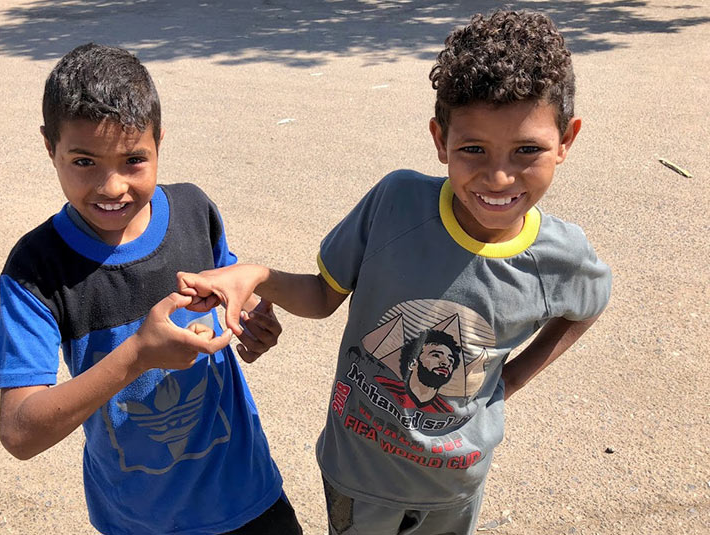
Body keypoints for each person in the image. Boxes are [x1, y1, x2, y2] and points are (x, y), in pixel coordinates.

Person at [176, 10, 612, 535]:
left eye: (528, 150)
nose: (498, 176)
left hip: (456, 485)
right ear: (439, 138)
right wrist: (257, 275)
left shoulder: (562, 257)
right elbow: (321, 295)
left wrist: (510, 379)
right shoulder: (396, 203)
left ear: (567, 140)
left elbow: (587, 306)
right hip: (358, 472)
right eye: (472, 149)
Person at [0, 43, 303, 535]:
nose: (112, 186)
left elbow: (228, 302)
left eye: (134, 159)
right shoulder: (36, 268)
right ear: (49, 147)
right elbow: (20, 432)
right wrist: (137, 355)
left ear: (160, 141)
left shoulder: (195, 211)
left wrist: (249, 328)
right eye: (83, 161)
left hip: (249, 497)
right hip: (140, 521)